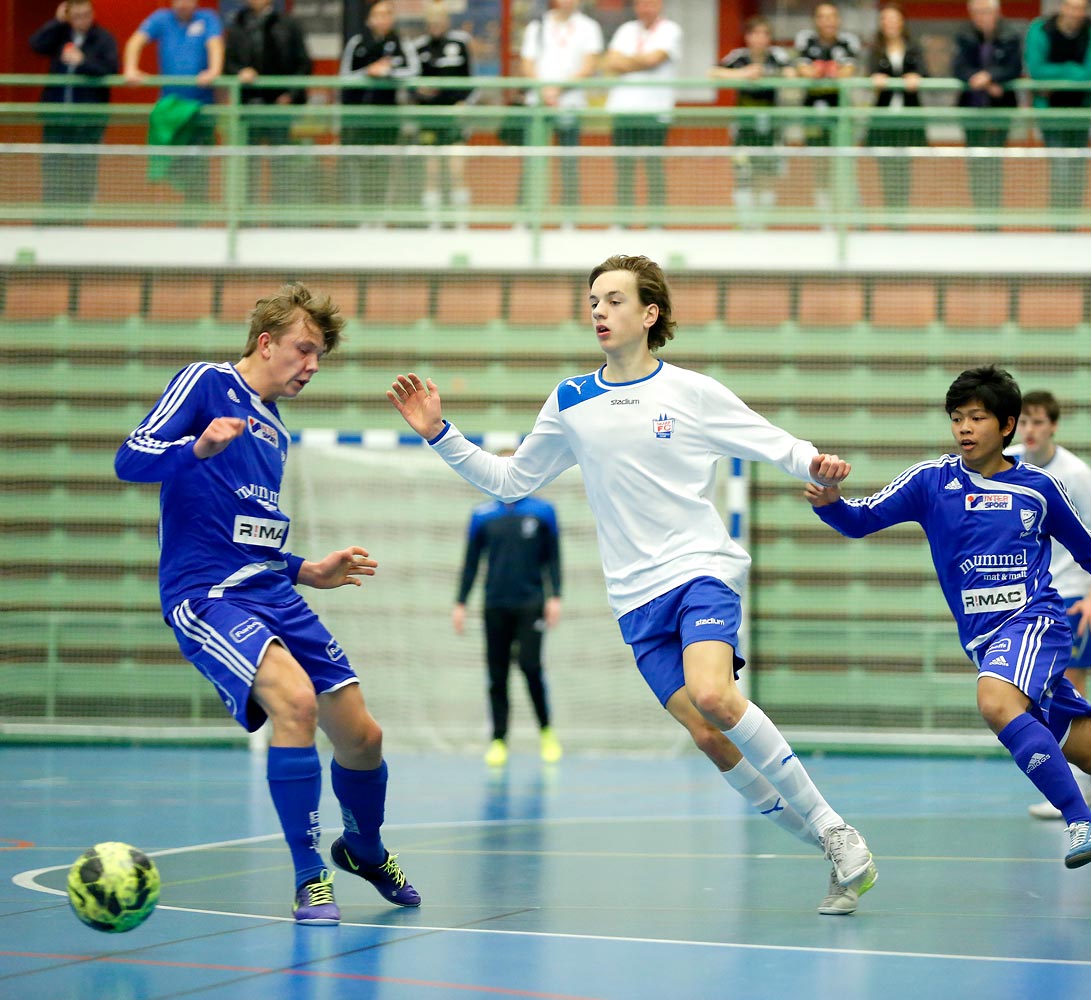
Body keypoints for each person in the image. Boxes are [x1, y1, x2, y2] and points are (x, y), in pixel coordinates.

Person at [387, 254, 879, 916]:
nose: (598, 311)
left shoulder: (690, 391)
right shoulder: (571, 401)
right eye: (592, 300)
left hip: (700, 567)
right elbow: (509, 482)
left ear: (649, 314)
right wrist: (439, 434)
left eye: (614, 300)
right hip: (635, 598)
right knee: (707, 736)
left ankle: (835, 830)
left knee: (714, 693)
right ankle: (832, 855)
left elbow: (767, 441)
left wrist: (815, 461)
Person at [806, 364, 1091, 901]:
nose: (964, 429)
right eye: (956, 419)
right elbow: (861, 518)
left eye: (977, 418)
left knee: (993, 700)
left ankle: (1080, 820)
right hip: (987, 643)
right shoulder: (931, 481)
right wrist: (830, 505)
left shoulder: (1039, 488)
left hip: (1035, 622)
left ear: (1007, 424)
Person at [114, 283, 421, 925]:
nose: (311, 365)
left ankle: (362, 848)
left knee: (363, 737)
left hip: (271, 590)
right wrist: (195, 448)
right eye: (303, 350)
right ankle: (310, 877)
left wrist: (307, 568)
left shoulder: (276, 430)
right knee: (297, 703)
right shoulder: (204, 383)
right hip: (208, 595)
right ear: (265, 341)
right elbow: (129, 459)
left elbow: (247, 531)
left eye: (319, 357)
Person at [1005, 391, 1091, 820]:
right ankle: (1073, 781)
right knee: (1036, 697)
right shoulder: (1008, 463)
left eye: (1037, 422)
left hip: (1070, 592)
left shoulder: (1076, 473)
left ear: (1052, 426)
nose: (1029, 430)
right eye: (1023, 422)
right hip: (1026, 595)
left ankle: (1084, 782)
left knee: (1071, 691)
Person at [454, 463, 564, 767]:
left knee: (530, 667)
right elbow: (472, 562)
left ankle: (546, 732)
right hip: (495, 604)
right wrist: (460, 602)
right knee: (497, 673)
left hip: (531, 603)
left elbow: (553, 558)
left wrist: (555, 595)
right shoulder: (482, 515)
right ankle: (499, 739)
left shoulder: (543, 512)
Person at [123, 0, 224, 204]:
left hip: (200, 110)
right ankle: (181, 221)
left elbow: (215, 45)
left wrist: (214, 71)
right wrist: (130, 69)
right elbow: (135, 42)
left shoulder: (208, 18)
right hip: (169, 108)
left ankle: (194, 218)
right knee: (173, 167)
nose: (182, 4)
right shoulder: (161, 18)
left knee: (197, 171)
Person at [518, 0, 604, 220]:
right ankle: (528, 216)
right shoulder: (537, 25)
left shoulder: (589, 27)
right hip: (537, 104)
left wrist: (558, 89)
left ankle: (569, 216)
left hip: (571, 104)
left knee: (569, 161)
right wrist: (544, 90)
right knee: (532, 161)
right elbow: (527, 63)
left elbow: (589, 65)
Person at [28, 0, 119, 209]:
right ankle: (52, 218)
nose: (82, 20)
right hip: (56, 118)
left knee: (84, 173)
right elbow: (35, 45)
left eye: (86, 14)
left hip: (88, 121)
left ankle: (78, 221)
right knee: (53, 170)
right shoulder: (60, 34)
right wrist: (56, 22)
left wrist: (83, 61)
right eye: (77, 16)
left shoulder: (103, 39)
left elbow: (111, 69)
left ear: (92, 13)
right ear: (69, 16)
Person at [601, 0, 682, 227]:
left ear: (660, 6)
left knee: (653, 167)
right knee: (623, 168)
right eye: (642, 4)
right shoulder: (626, 30)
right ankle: (622, 221)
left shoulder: (670, 30)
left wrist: (626, 62)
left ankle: (656, 221)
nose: (646, 8)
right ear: (636, 7)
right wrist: (640, 61)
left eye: (651, 4)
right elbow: (610, 62)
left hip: (654, 111)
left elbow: (653, 60)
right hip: (623, 110)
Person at [223, 0, 312, 206]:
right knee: (247, 165)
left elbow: (303, 64)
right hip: (248, 108)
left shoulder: (288, 24)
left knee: (280, 164)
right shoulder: (238, 25)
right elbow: (228, 64)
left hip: (279, 108)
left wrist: (290, 94)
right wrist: (240, 72)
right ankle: (246, 218)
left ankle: (279, 219)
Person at [710, 15, 794, 228]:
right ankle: (745, 223)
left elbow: (792, 73)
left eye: (764, 34)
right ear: (747, 37)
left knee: (767, 176)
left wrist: (768, 74)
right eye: (754, 33)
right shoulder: (739, 57)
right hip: (743, 128)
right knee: (743, 175)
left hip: (771, 128)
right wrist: (743, 74)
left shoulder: (777, 56)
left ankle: (762, 223)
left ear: (769, 38)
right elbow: (713, 72)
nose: (759, 39)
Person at [1024, 0, 1091, 218]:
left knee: (1078, 168)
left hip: (1081, 112)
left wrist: (1059, 77)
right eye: (1071, 6)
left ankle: (1073, 220)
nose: (1076, 13)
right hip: (1051, 112)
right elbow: (1037, 70)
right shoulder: (1041, 29)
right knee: (1060, 167)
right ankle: (1060, 221)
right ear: (1062, 7)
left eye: (1081, 8)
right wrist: (1072, 70)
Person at [339, 0, 419, 216]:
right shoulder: (357, 43)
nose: (382, 19)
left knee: (384, 166)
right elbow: (344, 76)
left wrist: (388, 73)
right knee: (359, 167)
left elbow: (414, 71)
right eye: (377, 14)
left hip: (388, 118)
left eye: (386, 14)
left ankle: (382, 216)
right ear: (369, 19)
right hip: (359, 118)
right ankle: (359, 216)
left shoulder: (401, 42)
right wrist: (368, 71)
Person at [952, 0, 1021, 227]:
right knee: (976, 163)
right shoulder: (964, 36)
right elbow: (958, 67)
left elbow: (1014, 67)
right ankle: (979, 217)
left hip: (1000, 110)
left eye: (986, 11)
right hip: (972, 110)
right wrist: (979, 79)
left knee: (994, 163)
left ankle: (993, 218)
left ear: (997, 12)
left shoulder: (1010, 35)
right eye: (977, 12)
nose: (981, 17)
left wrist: (990, 77)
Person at [794, 3, 861, 217]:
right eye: (822, 17)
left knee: (844, 165)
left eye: (832, 16)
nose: (828, 21)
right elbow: (804, 71)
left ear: (838, 20)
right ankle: (826, 220)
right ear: (816, 21)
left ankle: (852, 217)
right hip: (813, 115)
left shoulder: (848, 42)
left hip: (841, 114)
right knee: (820, 167)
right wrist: (830, 71)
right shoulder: (806, 40)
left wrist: (821, 71)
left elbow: (847, 72)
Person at [413, 2, 476, 228]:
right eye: (432, 20)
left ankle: (461, 223)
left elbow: (470, 81)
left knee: (456, 170)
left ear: (447, 21)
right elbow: (411, 83)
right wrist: (418, 91)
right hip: (429, 118)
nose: (436, 24)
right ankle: (433, 223)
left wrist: (463, 103)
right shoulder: (419, 47)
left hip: (456, 117)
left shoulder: (459, 44)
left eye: (440, 20)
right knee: (432, 172)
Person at [866, 2, 928, 220]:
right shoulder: (875, 49)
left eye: (894, 19)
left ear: (902, 22)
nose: (890, 24)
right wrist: (875, 79)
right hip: (884, 118)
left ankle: (901, 218)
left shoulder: (914, 48)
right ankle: (890, 217)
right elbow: (870, 74)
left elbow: (924, 73)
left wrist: (916, 77)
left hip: (908, 117)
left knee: (904, 170)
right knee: (886, 170)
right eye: (885, 19)